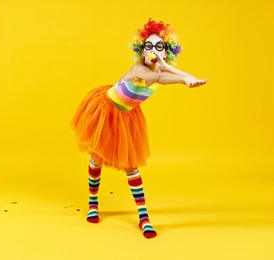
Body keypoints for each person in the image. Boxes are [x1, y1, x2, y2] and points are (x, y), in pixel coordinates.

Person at [71, 18, 207, 239]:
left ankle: (144, 218)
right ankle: (93, 204)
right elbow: (160, 77)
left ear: (167, 51)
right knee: (96, 159)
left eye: (159, 46)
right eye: (149, 46)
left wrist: (187, 77)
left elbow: (164, 74)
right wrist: (184, 78)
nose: (153, 50)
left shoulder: (160, 68)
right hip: (105, 111)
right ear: (142, 51)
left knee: (131, 167)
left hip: (126, 117)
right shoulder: (140, 69)